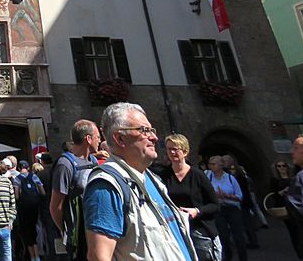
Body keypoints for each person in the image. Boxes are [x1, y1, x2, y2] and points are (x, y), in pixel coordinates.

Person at [83, 102, 195, 261]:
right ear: (120, 138)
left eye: (151, 130)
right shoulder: (106, 185)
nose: (154, 137)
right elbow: (98, 257)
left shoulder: (152, 179)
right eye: (144, 130)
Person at [161, 134, 221, 261]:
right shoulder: (163, 175)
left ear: (185, 151)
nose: (172, 152)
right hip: (176, 230)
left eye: (175, 149)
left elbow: (215, 205)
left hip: (199, 230)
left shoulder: (198, 175)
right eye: (169, 149)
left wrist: (197, 211)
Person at [49, 119, 100, 260]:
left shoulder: (93, 161)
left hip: (95, 231)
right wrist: (67, 230)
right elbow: (55, 206)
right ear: (88, 139)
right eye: (97, 137)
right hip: (78, 238)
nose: (100, 141)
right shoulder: (65, 165)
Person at [207, 155, 247, 261]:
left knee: (238, 235)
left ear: (221, 165)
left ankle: (243, 258)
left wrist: (226, 196)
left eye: (213, 164)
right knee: (223, 235)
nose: (211, 166)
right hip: (218, 209)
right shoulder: (208, 177)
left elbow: (239, 196)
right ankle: (227, 257)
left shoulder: (230, 178)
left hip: (232, 208)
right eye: (210, 164)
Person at [14, 160, 45, 261]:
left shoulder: (17, 179)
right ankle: (38, 255)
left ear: (19, 168)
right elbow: (42, 192)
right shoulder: (34, 176)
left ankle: (32, 256)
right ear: (28, 168)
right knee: (35, 230)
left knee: (27, 231)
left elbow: (17, 196)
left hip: (24, 208)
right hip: (35, 208)